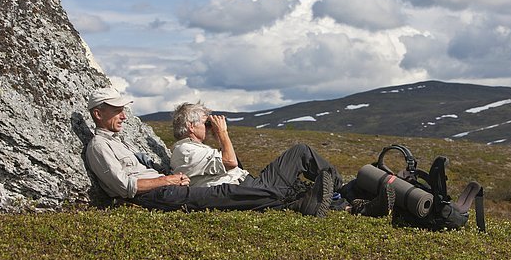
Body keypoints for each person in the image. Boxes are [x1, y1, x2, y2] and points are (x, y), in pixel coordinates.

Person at [84, 87, 335, 216]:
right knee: (231, 194)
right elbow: (123, 186)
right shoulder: (99, 146)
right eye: (117, 110)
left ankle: (343, 196)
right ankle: (307, 201)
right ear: (98, 114)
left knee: (239, 193)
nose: (123, 115)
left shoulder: (117, 142)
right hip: (161, 194)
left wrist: (169, 178)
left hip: (170, 190)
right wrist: (168, 179)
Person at [169, 101, 395, 217]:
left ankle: (351, 204)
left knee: (304, 174)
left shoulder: (193, 148)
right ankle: (348, 194)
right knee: (299, 153)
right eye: (205, 123)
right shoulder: (185, 150)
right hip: (245, 190)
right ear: (190, 126)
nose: (209, 128)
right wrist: (223, 133)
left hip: (249, 184)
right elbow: (230, 162)